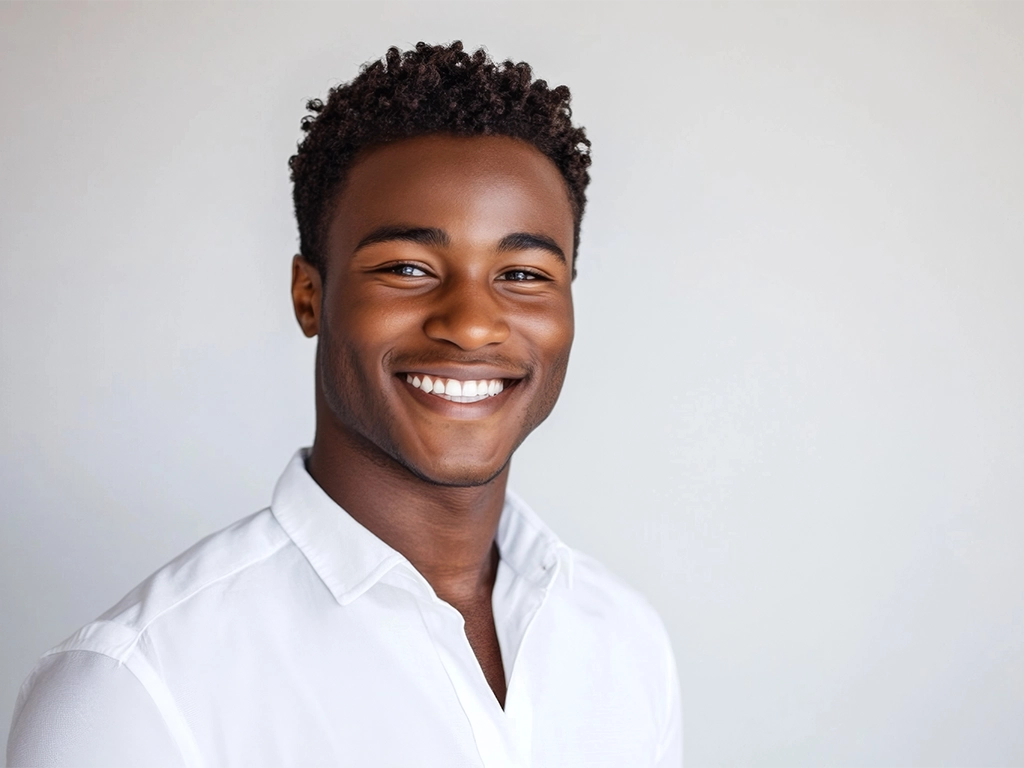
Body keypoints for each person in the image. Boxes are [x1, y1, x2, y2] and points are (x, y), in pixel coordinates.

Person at [7, 41, 682, 767]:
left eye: (522, 274)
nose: (471, 324)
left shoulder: (623, 638)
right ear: (310, 296)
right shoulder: (132, 690)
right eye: (408, 268)